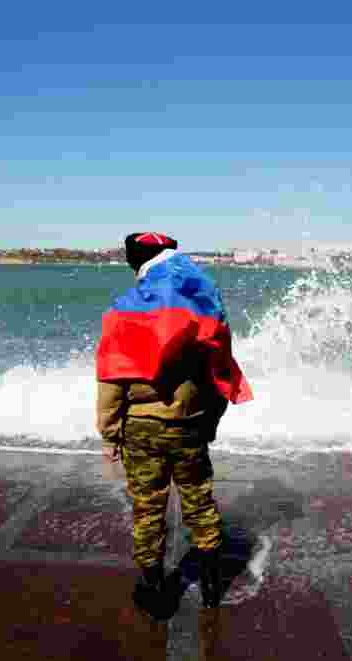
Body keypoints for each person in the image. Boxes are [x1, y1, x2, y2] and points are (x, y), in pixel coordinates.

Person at [95, 232, 253, 617]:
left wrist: (110, 434)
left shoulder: (123, 311)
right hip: (189, 426)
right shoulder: (201, 305)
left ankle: (156, 595)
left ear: (137, 263)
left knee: (148, 510)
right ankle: (214, 590)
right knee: (200, 502)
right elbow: (218, 372)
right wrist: (210, 421)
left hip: (141, 429)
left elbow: (111, 381)